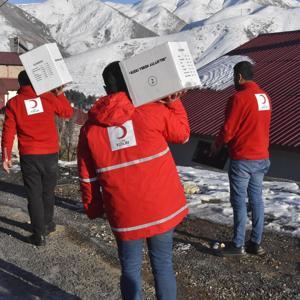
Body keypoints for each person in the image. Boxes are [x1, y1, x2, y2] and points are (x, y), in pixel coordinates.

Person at [77, 61, 190, 300]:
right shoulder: (153, 111)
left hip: (124, 212)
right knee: (163, 266)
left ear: (106, 88)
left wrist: (93, 207)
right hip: (161, 208)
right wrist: (173, 102)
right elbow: (183, 134)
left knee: (129, 269)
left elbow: (88, 176)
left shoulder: (90, 130)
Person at [1, 70, 73, 246]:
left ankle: (38, 234)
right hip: (50, 154)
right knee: (47, 192)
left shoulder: (14, 103)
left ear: (20, 84)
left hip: (30, 155)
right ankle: (47, 225)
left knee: (34, 194)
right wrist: (60, 94)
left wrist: (6, 156)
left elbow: (8, 131)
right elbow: (67, 113)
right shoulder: (47, 97)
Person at [211, 61, 271, 256]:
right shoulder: (264, 97)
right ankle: (255, 242)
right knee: (256, 200)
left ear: (239, 76)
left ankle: (237, 244)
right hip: (261, 157)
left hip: (243, 158)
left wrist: (217, 144)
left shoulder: (238, 98)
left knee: (238, 201)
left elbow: (228, 129)